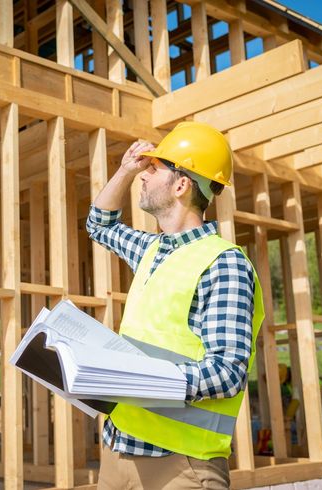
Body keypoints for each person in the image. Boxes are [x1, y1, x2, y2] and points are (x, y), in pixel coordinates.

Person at [87, 122, 264, 489]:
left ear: (181, 185)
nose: (143, 176)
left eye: (153, 170)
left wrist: (138, 378)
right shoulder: (153, 250)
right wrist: (125, 169)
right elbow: (99, 224)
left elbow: (228, 372)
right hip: (119, 447)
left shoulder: (223, 262)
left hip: (181, 465)